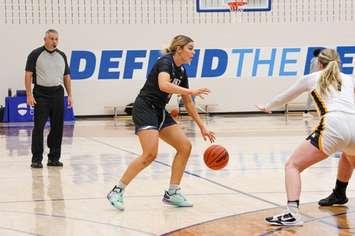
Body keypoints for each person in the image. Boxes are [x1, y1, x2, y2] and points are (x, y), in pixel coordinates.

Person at [107, 35, 215, 210]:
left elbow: (188, 102)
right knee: (150, 154)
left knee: (185, 146)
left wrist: (202, 126)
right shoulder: (165, 62)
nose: (193, 53)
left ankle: (172, 192)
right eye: (190, 48)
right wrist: (191, 90)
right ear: (179, 49)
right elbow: (164, 85)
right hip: (144, 108)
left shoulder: (181, 71)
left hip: (159, 110)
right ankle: (117, 190)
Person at [256, 48, 355, 226]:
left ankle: (292, 214)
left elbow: (284, 97)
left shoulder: (311, 78)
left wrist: (268, 106)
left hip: (333, 125)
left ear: (318, 63)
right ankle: (339, 194)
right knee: (349, 155)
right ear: (338, 63)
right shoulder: (349, 79)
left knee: (292, 165)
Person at [25, 29, 73, 168]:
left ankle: (54, 157)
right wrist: (29, 94)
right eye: (51, 38)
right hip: (41, 94)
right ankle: (36, 159)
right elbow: (28, 75)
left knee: (58, 127)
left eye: (56, 39)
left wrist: (69, 95)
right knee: (38, 127)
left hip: (58, 93)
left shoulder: (62, 55)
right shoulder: (35, 54)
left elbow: (66, 77)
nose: (54, 41)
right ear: (45, 39)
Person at [303, 48, 322, 118]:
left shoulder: (313, 59)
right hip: (315, 80)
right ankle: (306, 112)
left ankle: (306, 111)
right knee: (313, 96)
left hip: (312, 79)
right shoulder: (317, 60)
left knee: (311, 97)